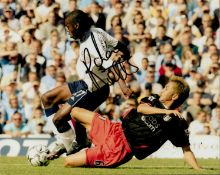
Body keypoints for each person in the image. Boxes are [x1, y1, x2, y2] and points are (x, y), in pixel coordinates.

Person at [41, 10, 133, 159]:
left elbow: (109, 64)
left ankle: (74, 147)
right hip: (84, 83)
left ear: (77, 25)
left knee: (58, 119)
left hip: (93, 89)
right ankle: (67, 142)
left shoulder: (93, 41)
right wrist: (126, 53)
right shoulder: (96, 31)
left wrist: (123, 86)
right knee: (47, 98)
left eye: (68, 26)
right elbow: (118, 44)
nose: (67, 30)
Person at [64, 76, 202, 170]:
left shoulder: (177, 123)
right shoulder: (154, 99)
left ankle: (94, 153)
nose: (162, 89)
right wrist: (166, 112)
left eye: (166, 88)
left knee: (68, 161)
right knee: (74, 111)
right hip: (114, 129)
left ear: (174, 96)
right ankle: (83, 142)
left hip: (119, 149)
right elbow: (142, 108)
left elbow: (186, 149)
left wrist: (198, 169)